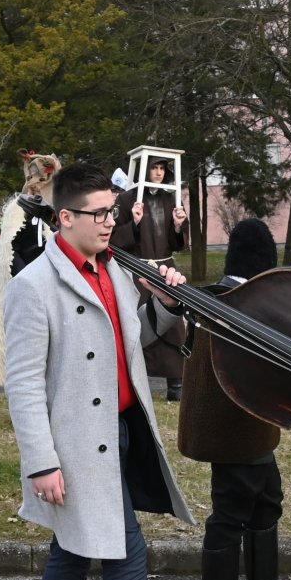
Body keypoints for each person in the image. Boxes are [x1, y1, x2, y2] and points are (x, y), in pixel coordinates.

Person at [4, 163, 217, 580]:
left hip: (120, 432)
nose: (109, 222)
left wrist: (164, 303)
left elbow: (132, 338)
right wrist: (41, 462)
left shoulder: (114, 269)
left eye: (113, 212)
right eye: (98, 213)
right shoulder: (34, 286)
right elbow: (22, 384)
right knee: (126, 555)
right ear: (65, 217)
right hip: (74, 448)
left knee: (72, 556)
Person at [179, 218, 291, 580]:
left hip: (253, 428)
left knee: (268, 500)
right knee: (230, 512)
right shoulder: (233, 304)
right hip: (231, 431)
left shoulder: (225, 296)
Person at [112, 157, 190, 402]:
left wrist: (178, 226)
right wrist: (134, 224)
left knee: (174, 325)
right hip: (137, 271)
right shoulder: (126, 199)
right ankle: (133, 384)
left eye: (161, 168)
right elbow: (113, 239)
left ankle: (176, 383)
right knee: (136, 324)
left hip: (165, 270)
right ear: (144, 170)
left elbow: (178, 243)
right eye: (154, 168)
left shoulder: (171, 199)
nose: (158, 173)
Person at [0, 152, 61, 388]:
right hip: (24, 275)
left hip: (50, 277)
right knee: (27, 336)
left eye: (42, 179)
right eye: (32, 179)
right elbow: (11, 246)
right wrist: (25, 276)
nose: (36, 184)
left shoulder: (56, 211)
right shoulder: (18, 209)